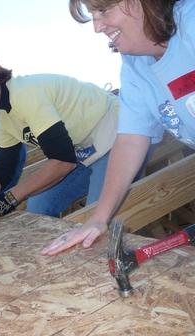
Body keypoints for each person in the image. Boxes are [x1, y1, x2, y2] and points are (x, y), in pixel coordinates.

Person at [42, 0, 194, 256]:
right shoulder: (135, 65)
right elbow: (131, 138)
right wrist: (98, 218)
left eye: (103, 11)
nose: (96, 27)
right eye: (92, 15)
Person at [0, 51, 119, 222]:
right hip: (84, 152)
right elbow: (4, 170)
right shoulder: (5, 117)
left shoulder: (24, 92)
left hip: (112, 136)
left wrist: (11, 197)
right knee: (38, 205)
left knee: (96, 218)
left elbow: (62, 161)